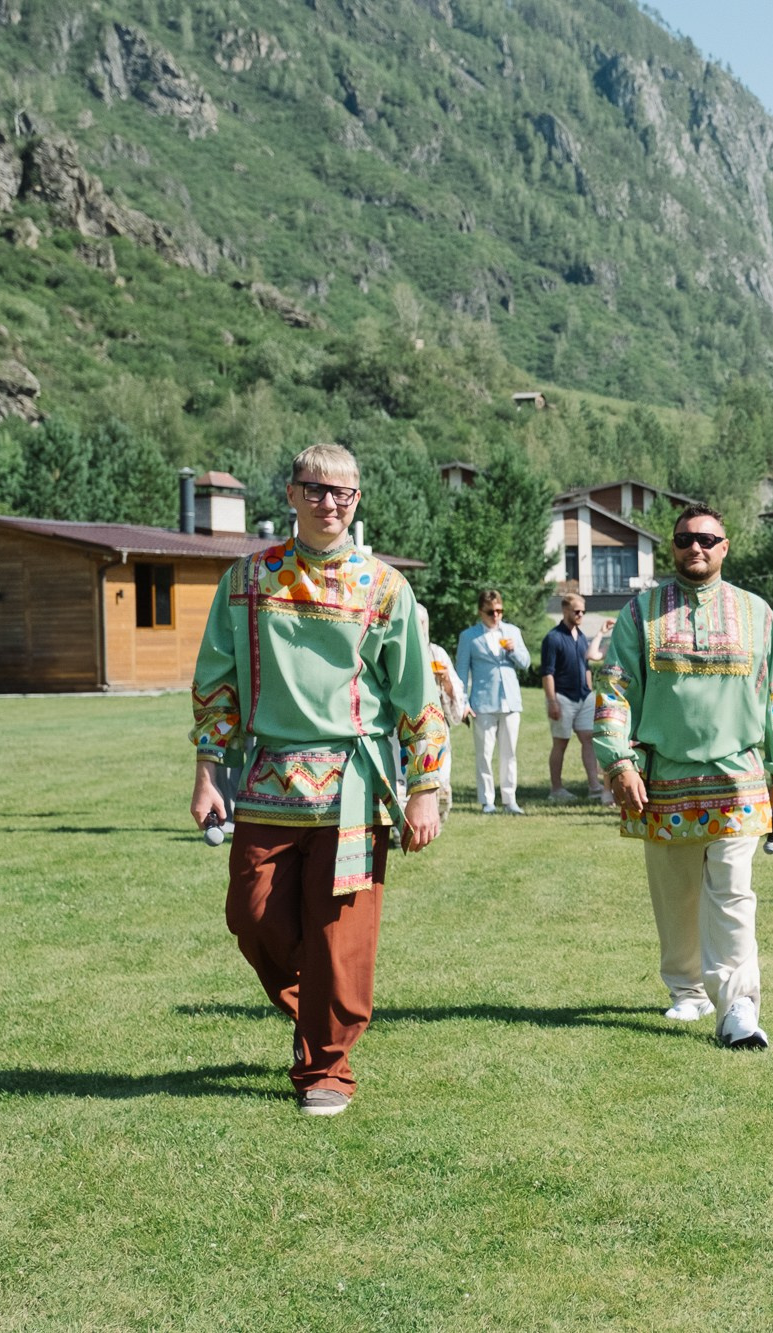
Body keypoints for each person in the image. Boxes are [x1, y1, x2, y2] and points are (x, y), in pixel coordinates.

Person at [189, 443, 446, 1117]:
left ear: (357, 500)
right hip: (268, 777)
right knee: (250, 915)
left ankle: (326, 1067)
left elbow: (417, 696)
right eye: (315, 489)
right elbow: (217, 686)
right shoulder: (246, 579)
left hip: (354, 785)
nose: (329, 503)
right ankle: (325, 1012)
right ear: (291, 493)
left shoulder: (385, 587)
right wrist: (208, 770)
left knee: (341, 935)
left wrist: (425, 786)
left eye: (343, 493)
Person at [595, 503, 773, 1048]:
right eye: (687, 539)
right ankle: (686, 989)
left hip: (740, 778)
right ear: (673, 546)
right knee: (676, 895)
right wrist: (618, 761)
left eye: (708, 540)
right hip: (666, 779)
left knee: (733, 893)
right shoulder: (639, 614)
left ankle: (737, 1007)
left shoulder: (758, 614)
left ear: (725, 546)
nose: (697, 548)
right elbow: (614, 690)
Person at [456, 589, 533, 815]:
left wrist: (514, 650)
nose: (496, 615)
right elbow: (461, 671)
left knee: (509, 753)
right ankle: (487, 800)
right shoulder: (468, 637)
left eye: (500, 611)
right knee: (485, 753)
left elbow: (526, 663)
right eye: (491, 612)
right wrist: (463, 702)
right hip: (483, 702)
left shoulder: (512, 632)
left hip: (510, 701)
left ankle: (510, 800)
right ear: (481, 612)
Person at [541, 594, 606, 804]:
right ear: (565, 610)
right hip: (562, 697)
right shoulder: (553, 638)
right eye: (576, 611)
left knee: (589, 738)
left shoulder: (581, 636)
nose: (580, 615)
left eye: (583, 612)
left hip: (584, 696)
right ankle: (556, 788)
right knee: (561, 742)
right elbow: (547, 673)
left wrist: (589, 689)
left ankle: (594, 786)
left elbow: (586, 665)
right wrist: (552, 701)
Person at [416, 604, 465, 820]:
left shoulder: (436, 653)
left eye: (422, 624)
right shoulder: (392, 652)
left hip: (435, 726)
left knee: (440, 777)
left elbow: (456, 692)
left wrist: (444, 680)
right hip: (403, 728)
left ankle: (437, 819)